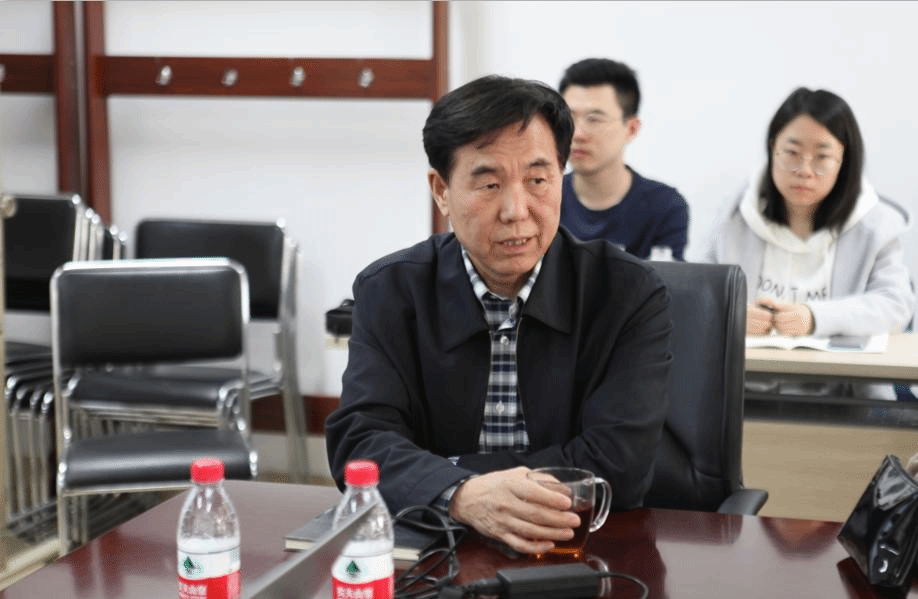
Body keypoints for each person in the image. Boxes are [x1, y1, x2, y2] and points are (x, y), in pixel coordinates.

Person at [326, 75, 673, 555]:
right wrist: (463, 496)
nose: (516, 210)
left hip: (582, 546)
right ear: (441, 191)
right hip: (436, 547)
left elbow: (619, 463)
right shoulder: (390, 290)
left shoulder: (628, 293)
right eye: (489, 184)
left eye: (538, 180)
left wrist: (449, 478)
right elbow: (362, 442)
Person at [705, 87, 915, 340]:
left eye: (822, 157)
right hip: (748, 366)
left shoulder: (874, 225)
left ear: (844, 161)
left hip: (840, 367)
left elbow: (896, 305)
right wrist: (731, 313)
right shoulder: (735, 216)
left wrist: (815, 318)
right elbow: (697, 294)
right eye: (792, 153)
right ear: (773, 149)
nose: (804, 170)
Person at [558, 58, 689, 260]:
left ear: (631, 129)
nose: (577, 134)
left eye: (594, 119)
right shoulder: (544, 199)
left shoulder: (664, 207)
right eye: (569, 118)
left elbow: (667, 279)